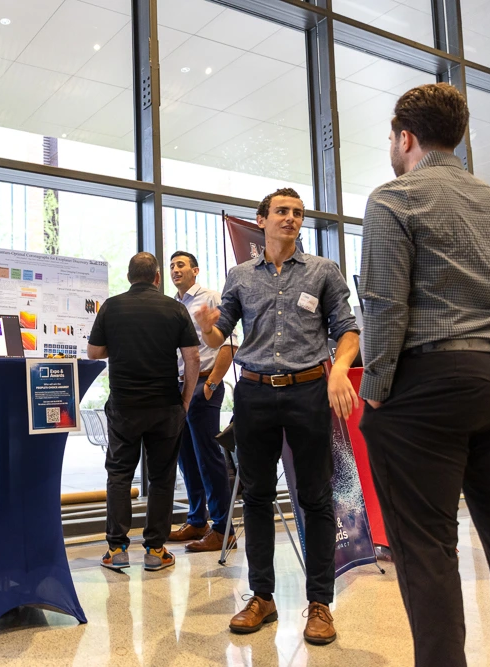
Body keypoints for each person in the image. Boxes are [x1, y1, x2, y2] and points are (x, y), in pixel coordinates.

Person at [358, 82, 490, 667]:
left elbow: (385, 306)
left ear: (406, 136)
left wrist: (375, 393)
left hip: (432, 383)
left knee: (426, 549)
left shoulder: (394, 199)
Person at [194, 187, 360, 645]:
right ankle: (262, 597)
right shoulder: (240, 276)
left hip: (309, 391)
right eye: (282, 212)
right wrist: (208, 325)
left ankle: (320, 604)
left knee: (316, 498)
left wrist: (339, 371)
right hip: (254, 394)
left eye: (297, 213)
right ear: (262, 220)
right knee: (259, 497)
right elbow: (217, 339)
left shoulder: (324, 271)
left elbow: (348, 332)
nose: (290, 218)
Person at [87, 252, 199, 572]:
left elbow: (94, 352)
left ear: (128, 276)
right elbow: (192, 359)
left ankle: (117, 549)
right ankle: (155, 550)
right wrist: (186, 400)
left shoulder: (112, 306)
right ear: (157, 277)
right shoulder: (175, 308)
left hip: (124, 407)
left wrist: (119, 346)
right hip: (166, 406)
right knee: (162, 478)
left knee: (120, 475)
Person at [167, 251, 237, 552]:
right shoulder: (172, 305)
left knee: (209, 458)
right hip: (180, 388)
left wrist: (211, 384)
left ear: (195, 270)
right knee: (186, 457)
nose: (175, 270)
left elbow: (230, 343)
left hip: (204, 385)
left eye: (180, 265)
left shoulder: (209, 298)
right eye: (171, 266)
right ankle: (198, 520)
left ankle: (224, 529)